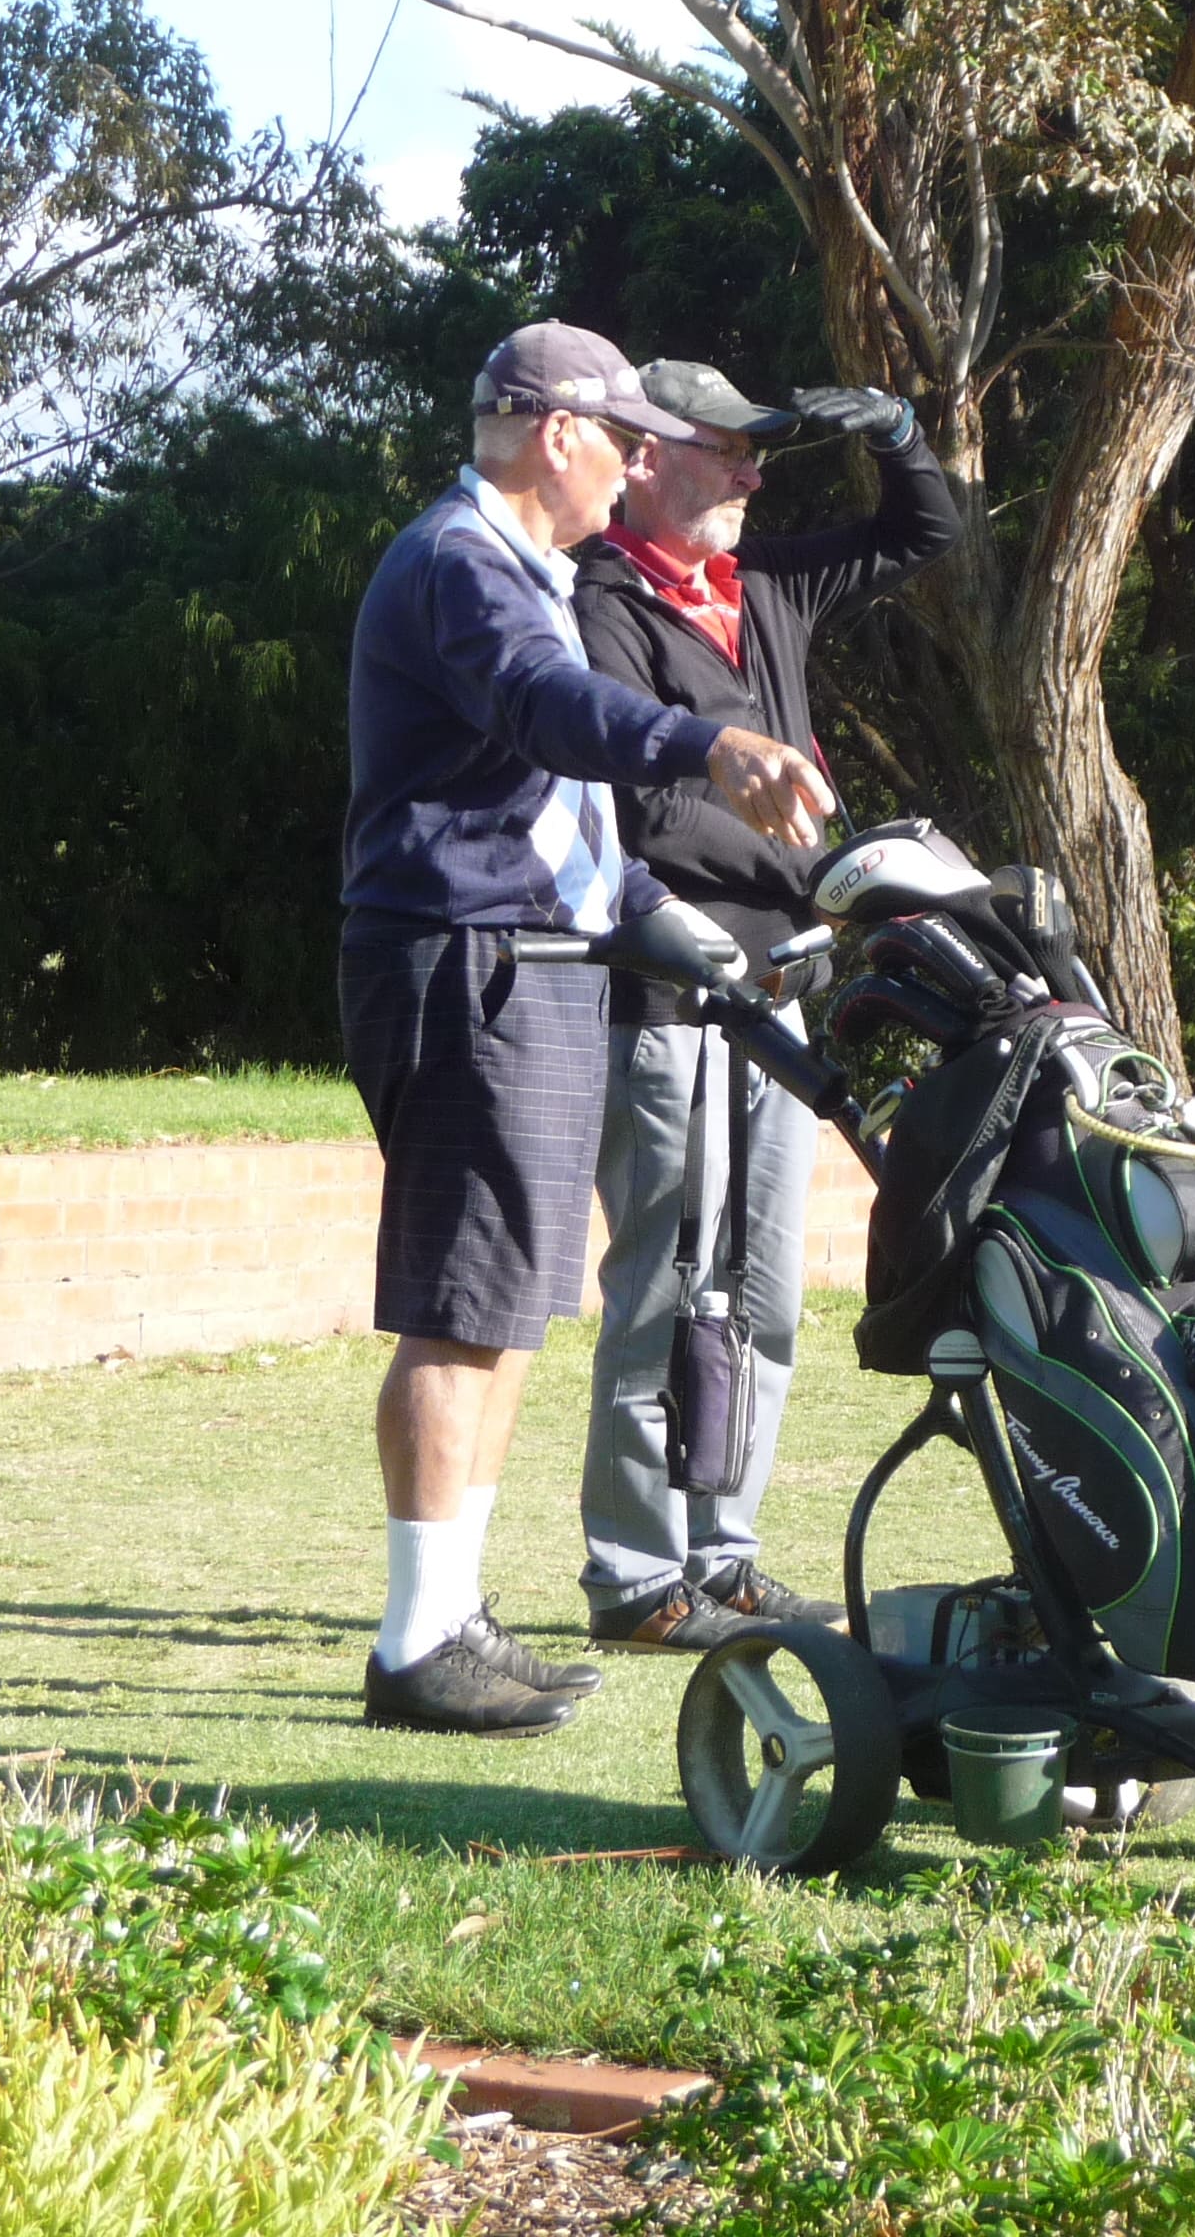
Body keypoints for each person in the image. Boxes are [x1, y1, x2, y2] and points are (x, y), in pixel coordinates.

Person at [340, 321, 838, 1739]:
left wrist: (644, 905)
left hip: (538, 960)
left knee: (505, 1310)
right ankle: (413, 1643)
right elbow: (547, 710)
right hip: (468, 963)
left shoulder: (525, 570)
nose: (631, 470)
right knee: (459, 1309)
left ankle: (452, 1618)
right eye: (621, 441)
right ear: (556, 432)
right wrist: (706, 742)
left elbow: (549, 806)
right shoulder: (460, 562)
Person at [571, 361, 960, 1649]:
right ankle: (637, 1577)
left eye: (759, 452)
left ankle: (724, 1555)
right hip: (670, 986)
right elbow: (644, 811)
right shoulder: (601, 602)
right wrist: (803, 864)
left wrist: (898, 432)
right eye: (726, 449)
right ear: (645, 458)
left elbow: (925, 529)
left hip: (785, 985)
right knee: (665, 1283)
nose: (750, 472)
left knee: (764, 1287)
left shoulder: (767, 582)